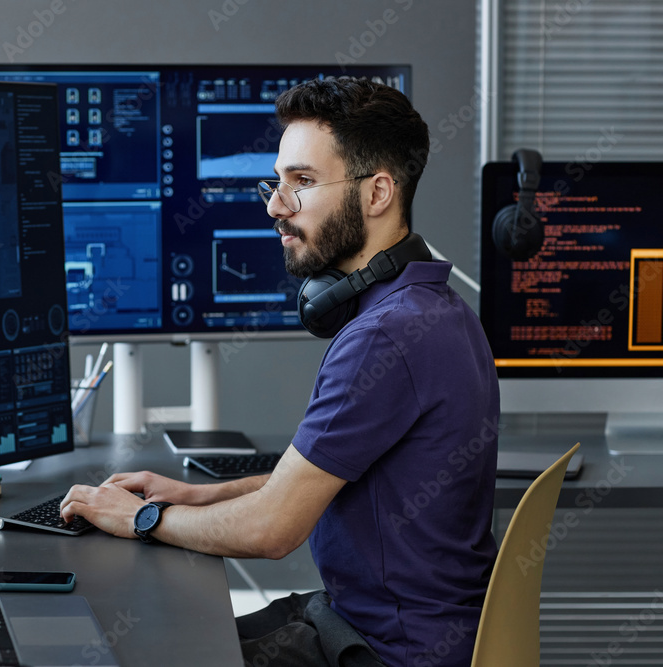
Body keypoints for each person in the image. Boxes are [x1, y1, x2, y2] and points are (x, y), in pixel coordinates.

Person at [61, 77, 499, 667]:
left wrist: (141, 517)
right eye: (278, 182)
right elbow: (311, 482)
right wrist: (196, 495)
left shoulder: (384, 337)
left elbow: (272, 531)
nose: (274, 205)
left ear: (377, 194)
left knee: (139, 650)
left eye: (303, 183)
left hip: (389, 650)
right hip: (382, 623)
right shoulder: (437, 308)